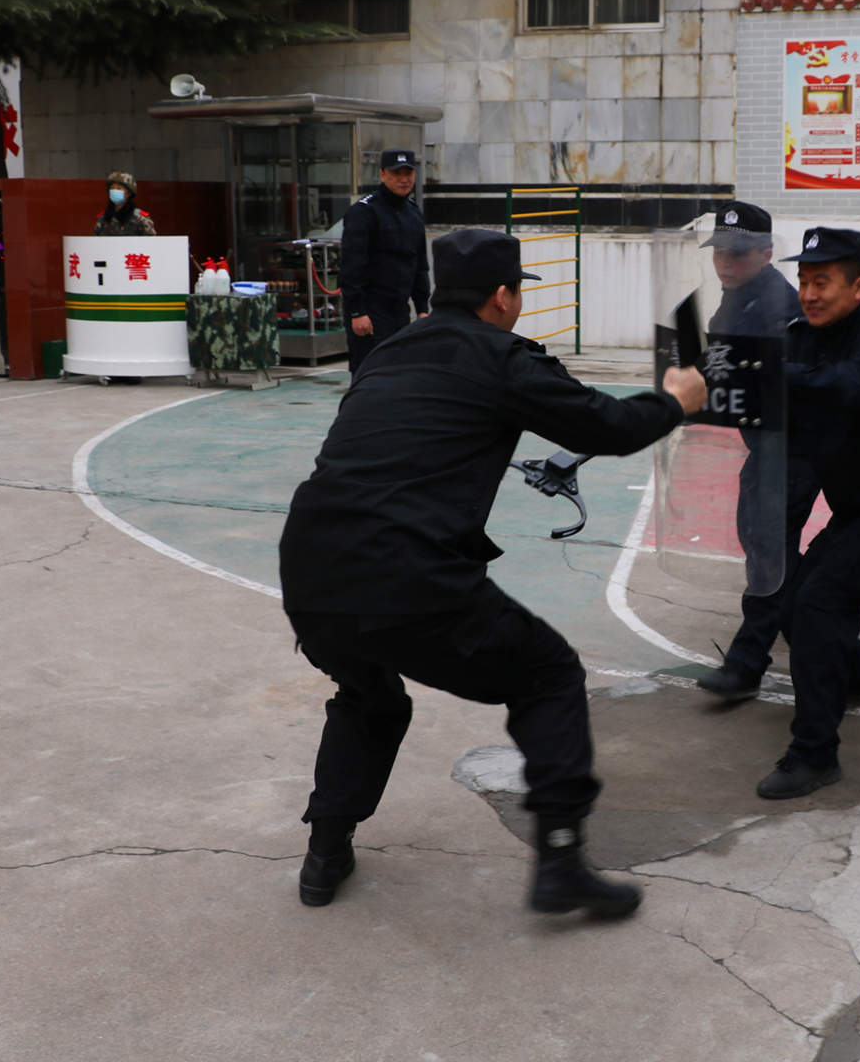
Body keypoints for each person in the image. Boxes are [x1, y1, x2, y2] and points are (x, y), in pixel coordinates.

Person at [279, 227, 708, 915]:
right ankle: (561, 859)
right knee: (549, 675)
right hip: (407, 574)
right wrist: (675, 400)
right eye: (517, 294)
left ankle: (325, 852)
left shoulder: (390, 351)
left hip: (310, 569)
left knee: (369, 695)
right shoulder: (502, 357)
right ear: (503, 297)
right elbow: (605, 426)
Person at [755, 226, 860, 799]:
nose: (809, 294)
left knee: (818, 608)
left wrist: (770, 374)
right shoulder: (797, 337)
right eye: (803, 281)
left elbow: (850, 388)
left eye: (822, 282)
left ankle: (814, 754)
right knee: (792, 608)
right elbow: (763, 396)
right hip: (852, 508)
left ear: (858, 287)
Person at [691, 201, 812, 701]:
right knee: (764, 543)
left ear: (765, 254)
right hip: (766, 443)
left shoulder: (774, 306)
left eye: (738, 253)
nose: (726, 261)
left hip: (794, 445)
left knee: (767, 545)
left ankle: (747, 661)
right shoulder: (736, 297)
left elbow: (769, 383)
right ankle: (843, 653)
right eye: (720, 251)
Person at [340, 148, 430, 374]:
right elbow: (352, 267)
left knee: (397, 373)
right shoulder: (364, 212)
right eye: (396, 173)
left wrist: (422, 309)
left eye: (408, 173)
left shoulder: (413, 213)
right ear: (382, 174)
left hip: (399, 311)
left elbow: (419, 264)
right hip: (370, 311)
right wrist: (357, 312)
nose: (404, 179)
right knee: (368, 374)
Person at [93, 171, 155, 236]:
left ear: (128, 193)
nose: (114, 190)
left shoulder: (140, 218)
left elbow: (151, 241)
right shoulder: (103, 218)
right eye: (112, 188)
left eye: (119, 188)